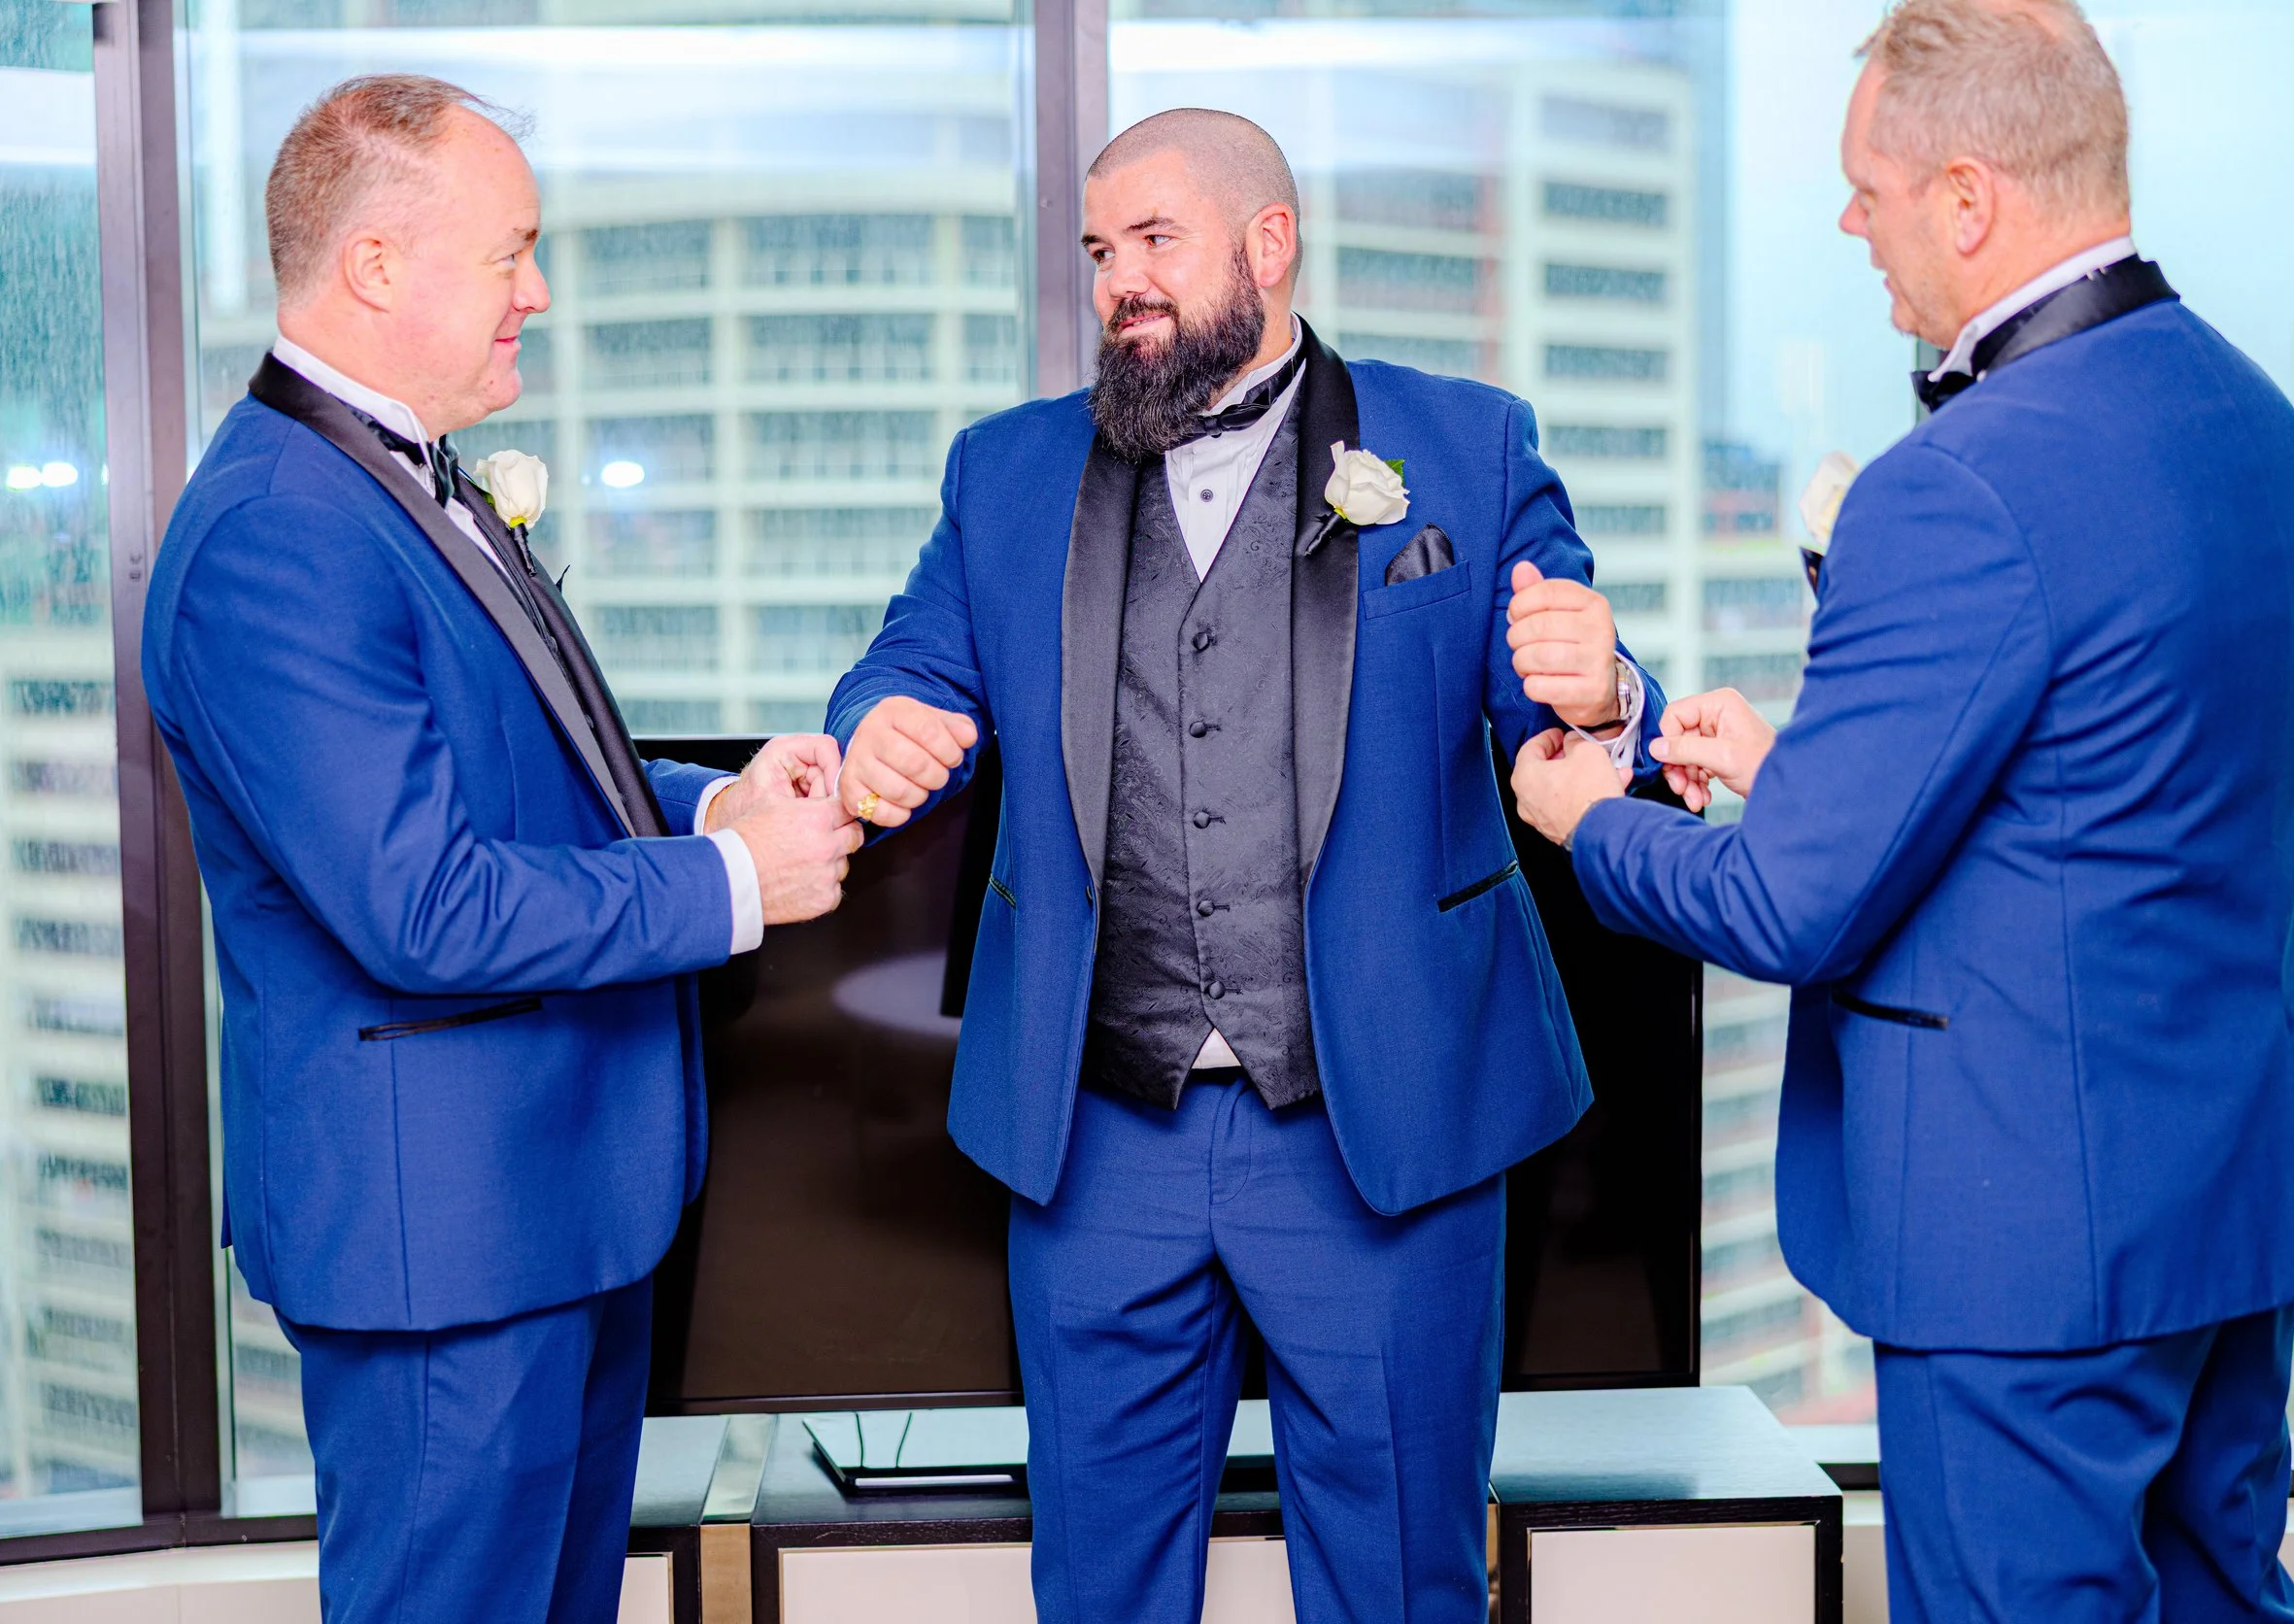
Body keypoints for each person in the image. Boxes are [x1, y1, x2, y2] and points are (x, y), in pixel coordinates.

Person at [1507, 3, 2294, 1620]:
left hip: (2024, 1233)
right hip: (2229, 1192)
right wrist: (1802, 769)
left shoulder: (1957, 480)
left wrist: (1592, 818)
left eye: (1867, 189)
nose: (1847, 223)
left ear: (1966, 199)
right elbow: (2112, 785)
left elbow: (1786, 909)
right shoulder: (2255, 424)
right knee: (2224, 1597)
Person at [825, 109, 1662, 1624]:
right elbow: (909, 663)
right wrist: (879, 720)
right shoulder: (1005, 472)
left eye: (1155, 241)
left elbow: (1566, 708)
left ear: (1267, 245)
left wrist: (1607, 693)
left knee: (1401, 1582)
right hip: (1098, 1134)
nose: (1118, 283)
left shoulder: (1466, 447)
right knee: (1098, 1585)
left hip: (1380, 1120)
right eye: (1099, 251)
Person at [141, 75, 860, 1624]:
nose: (536, 291)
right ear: (376, 265)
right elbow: (422, 904)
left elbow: (508, 775)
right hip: (443, 1249)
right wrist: (734, 884)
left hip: (544, 1215)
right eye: (511, 252)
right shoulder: (278, 529)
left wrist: (709, 804)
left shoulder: (402, 481)